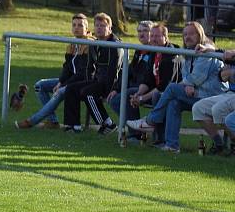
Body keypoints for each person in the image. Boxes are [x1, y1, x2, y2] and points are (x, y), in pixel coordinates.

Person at [127, 22, 227, 152]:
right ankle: (172, 146)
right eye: (185, 34)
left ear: (200, 34)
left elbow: (196, 77)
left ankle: (151, 121)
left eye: (191, 33)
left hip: (213, 95)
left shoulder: (205, 50)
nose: (187, 37)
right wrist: (188, 84)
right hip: (197, 94)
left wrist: (189, 83)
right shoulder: (187, 52)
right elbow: (185, 74)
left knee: (172, 88)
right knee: (174, 102)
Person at [15, 13, 94, 129]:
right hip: (69, 81)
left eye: (80, 26)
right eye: (74, 25)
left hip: (82, 82)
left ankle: (32, 121)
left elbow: (82, 73)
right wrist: (60, 82)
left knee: (60, 92)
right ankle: (53, 121)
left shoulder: (90, 44)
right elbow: (67, 67)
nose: (76, 28)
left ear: (87, 28)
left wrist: (63, 85)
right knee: (39, 86)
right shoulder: (72, 44)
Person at [115, 23, 182, 143]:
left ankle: (160, 139)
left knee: (158, 96)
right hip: (154, 90)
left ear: (166, 37)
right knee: (129, 94)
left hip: (166, 93)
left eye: (157, 36)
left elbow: (163, 86)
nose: (154, 39)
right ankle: (136, 135)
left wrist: (142, 98)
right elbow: (148, 79)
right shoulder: (153, 52)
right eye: (152, 36)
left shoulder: (170, 55)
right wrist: (138, 94)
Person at [62, 13, 122, 134]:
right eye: (97, 25)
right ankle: (73, 126)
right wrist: (87, 82)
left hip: (112, 83)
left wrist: (111, 89)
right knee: (71, 88)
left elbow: (114, 71)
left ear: (109, 28)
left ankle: (107, 124)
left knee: (88, 93)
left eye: (103, 26)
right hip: (97, 80)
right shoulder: (94, 43)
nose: (99, 28)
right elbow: (90, 67)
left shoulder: (115, 45)